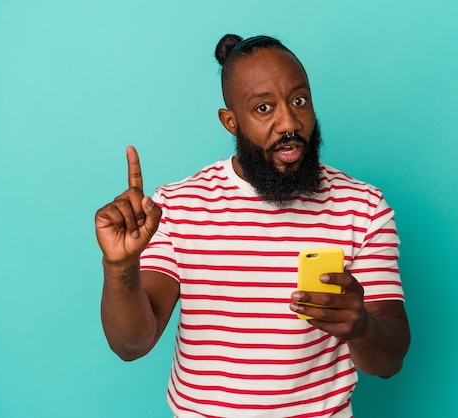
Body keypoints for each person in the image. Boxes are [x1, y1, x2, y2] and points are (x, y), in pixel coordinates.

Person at [95, 34, 410, 417]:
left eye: (299, 101)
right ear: (231, 122)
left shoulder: (363, 207)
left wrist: (360, 326)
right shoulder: (177, 206)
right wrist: (119, 267)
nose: (289, 123)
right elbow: (132, 344)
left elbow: (389, 359)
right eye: (263, 108)